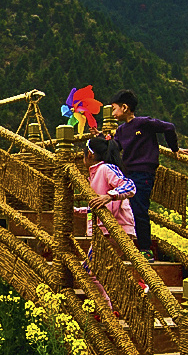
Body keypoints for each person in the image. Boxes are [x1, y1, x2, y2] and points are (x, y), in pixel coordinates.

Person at [108, 89, 182, 262]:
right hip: (127, 174)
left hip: (143, 173)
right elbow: (115, 148)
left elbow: (169, 127)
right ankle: (130, 245)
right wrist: (102, 140)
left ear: (125, 107)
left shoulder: (143, 123)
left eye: (114, 108)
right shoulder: (121, 131)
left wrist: (175, 149)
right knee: (127, 208)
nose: (112, 113)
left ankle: (145, 249)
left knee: (139, 209)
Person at [75, 137, 142, 311]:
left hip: (113, 231)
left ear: (89, 154)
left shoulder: (106, 168)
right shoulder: (95, 174)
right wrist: (78, 211)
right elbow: (97, 206)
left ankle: (107, 310)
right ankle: (114, 306)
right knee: (98, 272)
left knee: (89, 271)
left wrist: (109, 195)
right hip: (106, 231)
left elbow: (130, 186)